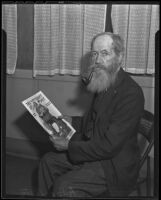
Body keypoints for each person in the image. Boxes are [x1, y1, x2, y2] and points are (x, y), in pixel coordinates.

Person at [37, 32, 145, 198]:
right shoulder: (104, 81)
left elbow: (109, 146)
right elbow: (94, 123)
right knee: (48, 161)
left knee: (64, 186)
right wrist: (72, 120)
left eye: (105, 53)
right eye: (94, 54)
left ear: (119, 56)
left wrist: (68, 146)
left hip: (113, 165)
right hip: (95, 151)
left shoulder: (131, 93)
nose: (97, 61)